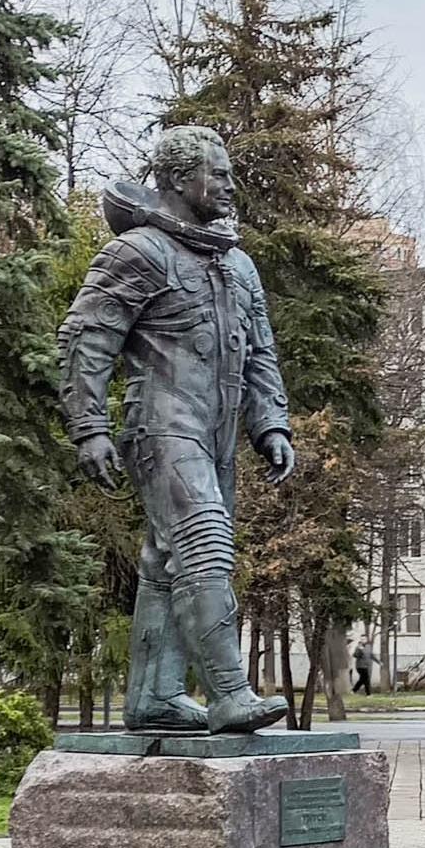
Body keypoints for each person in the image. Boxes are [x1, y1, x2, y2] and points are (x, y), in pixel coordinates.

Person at [59, 125, 296, 734]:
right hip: (161, 426)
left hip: (216, 435)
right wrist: (90, 426)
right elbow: (88, 339)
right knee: (204, 546)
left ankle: (154, 697)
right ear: (176, 179)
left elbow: (259, 353)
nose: (231, 185)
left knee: (168, 562)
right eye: (218, 174)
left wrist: (271, 423)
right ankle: (229, 694)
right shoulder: (137, 252)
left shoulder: (238, 264)